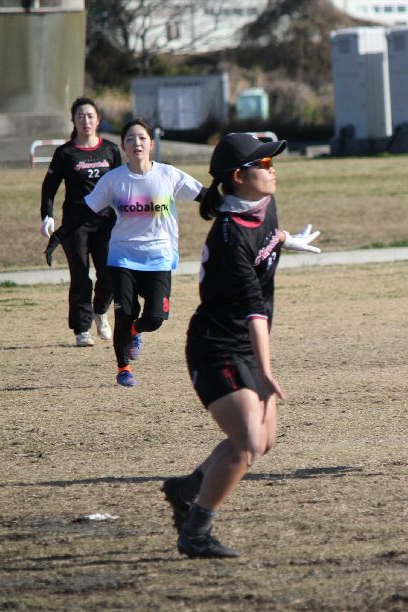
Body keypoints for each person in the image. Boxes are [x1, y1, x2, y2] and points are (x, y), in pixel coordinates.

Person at [161, 133, 321, 558]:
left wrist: (287, 239)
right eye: (263, 164)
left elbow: (268, 233)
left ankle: (186, 488)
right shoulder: (229, 236)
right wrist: (265, 374)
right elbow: (255, 312)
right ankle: (196, 532)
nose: (272, 170)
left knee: (263, 440)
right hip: (216, 346)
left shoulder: (264, 202)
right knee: (248, 441)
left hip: (244, 344)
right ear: (238, 176)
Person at [82, 117, 206, 387]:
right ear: (123, 146)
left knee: (155, 318)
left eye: (142, 138)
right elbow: (86, 210)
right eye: (130, 139)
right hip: (122, 257)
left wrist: (233, 201)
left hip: (159, 257)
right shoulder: (113, 180)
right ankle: (123, 368)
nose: (136, 143)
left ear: (151, 144)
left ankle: (135, 331)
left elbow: (204, 195)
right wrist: (60, 234)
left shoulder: (168, 175)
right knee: (124, 313)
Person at [39, 97, 122, 347]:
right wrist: (47, 215)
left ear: (98, 120)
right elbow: (49, 187)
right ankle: (82, 329)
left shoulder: (111, 150)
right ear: (73, 121)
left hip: (106, 222)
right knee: (80, 276)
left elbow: (121, 185)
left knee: (109, 274)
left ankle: (100, 311)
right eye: (80, 116)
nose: (86, 120)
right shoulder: (65, 153)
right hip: (75, 225)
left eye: (90, 116)